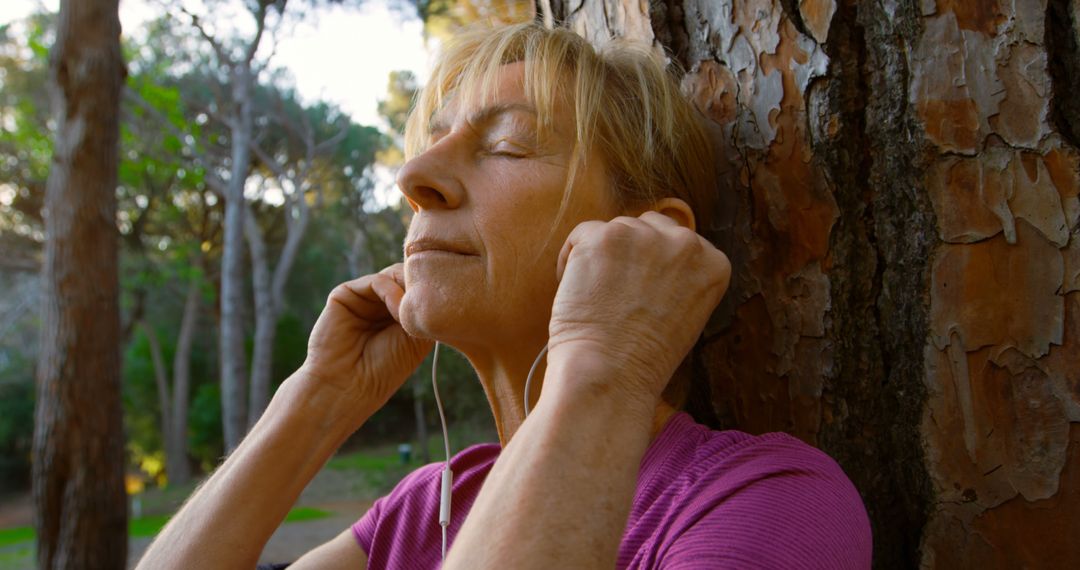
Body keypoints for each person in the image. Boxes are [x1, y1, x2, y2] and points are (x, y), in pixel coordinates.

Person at [137, 22, 872, 569]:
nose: (414, 175)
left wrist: (606, 364)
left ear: (647, 238)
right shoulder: (426, 510)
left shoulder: (766, 500)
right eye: (433, 140)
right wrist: (317, 400)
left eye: (508, 146)